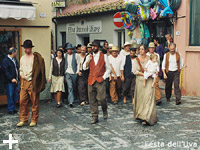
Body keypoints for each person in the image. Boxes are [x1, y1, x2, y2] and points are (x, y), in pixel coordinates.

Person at [17, 39, 46, 127]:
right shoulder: (22, 58)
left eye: (27, 48)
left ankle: (34, 120)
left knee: (35, 102)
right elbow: (20, 69)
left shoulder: (35, 58)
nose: (25, 50)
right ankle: (23, 119)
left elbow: (38, 71)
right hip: (24, 82)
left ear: (30, 48)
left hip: (33, 82)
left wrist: (29, 76)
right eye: (24, 48)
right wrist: (21, 74)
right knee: (22, 101)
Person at [83, 41, 111, 124]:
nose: (93, 48)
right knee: (92, 100)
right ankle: (94, 116)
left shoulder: (104, 56)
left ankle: (104, 109)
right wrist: (89, 60)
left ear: (98, 47)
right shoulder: (89, 56)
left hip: (100, 80)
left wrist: (103, 77)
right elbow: (84, 68)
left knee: (102, 98)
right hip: (91, 80)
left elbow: (108, 68)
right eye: (92, 46)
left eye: (95, 46)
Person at [132, 44, 158, 126]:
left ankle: (147, 117)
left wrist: (152, 74)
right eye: (140, 49)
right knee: (141, 98)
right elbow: (135, 71)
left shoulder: (150, 58)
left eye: (142, 49)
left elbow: (154, 67)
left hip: (149, 80)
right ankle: (141, 115)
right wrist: (145, 74)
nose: (141, 51)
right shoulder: (136, 59)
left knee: (148, 97)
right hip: (140, 81)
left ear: (146, 50)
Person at [2, 47, 19, 114]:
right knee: (10, 95)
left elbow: (17, 68)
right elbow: (5, 71)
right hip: (9, 81)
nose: (16, 54)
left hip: (16, 80)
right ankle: (11, 109)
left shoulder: (14, 60)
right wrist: (11, 78)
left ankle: (14, 108)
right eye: (16, 52)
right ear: (13, 53)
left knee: (15, 95)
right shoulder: (5, 61)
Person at [65, 43, 80, 107]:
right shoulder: (65, 55)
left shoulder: (76, 55)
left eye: (70, 49)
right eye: (68, 49)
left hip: (74, 73)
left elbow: (78, 63)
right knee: (70, 87)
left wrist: (77, 71)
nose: (69, 50)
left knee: (74, 86)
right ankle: (71, 101)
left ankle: (74, 96)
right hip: (67, 72)